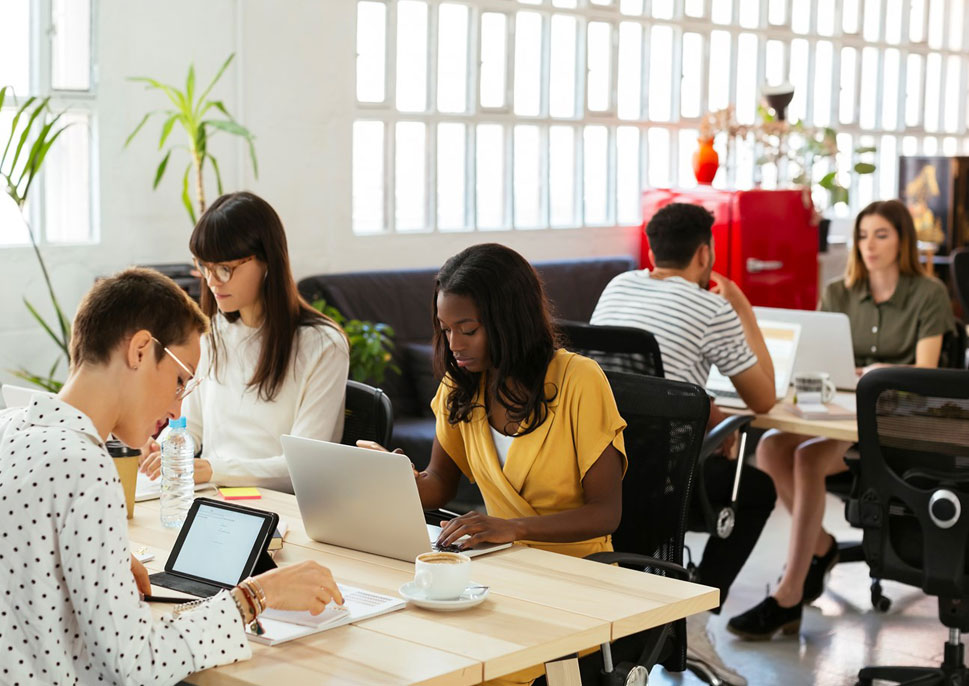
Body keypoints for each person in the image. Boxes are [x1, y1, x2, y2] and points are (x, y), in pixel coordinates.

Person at [0, 268, 343, 685]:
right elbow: (138, 665)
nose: (177, 410)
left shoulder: (11, 427)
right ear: (141, 350)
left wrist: (103, 561)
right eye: (180, 381)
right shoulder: (84, 467)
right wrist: (256, 596)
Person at [363, 243, 626, 685]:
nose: (455, 344)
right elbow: (438, 485)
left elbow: (606, 513)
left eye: (468, 329)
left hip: (577, 583)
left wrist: (515, 528)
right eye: (446, 330)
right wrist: (390, 478)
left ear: (509, 321)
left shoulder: (579, 380)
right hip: (499, 575)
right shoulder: (461, 386)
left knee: (473, 670)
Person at [727, 199, 955, 640]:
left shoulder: (929, 294)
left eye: (881, 235)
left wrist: (875, 376)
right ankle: (821, 547)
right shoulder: (839, 291)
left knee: (809, 458)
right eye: (863, 235)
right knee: (772, 445)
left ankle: (790, 594)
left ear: (902, 241)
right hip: (840, 407)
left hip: (895, 417)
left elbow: (924, 374)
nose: (869, 245)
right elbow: (821, 358)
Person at [591, 202, 778, 686]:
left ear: (652, 249)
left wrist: (703, 413)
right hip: (667, 480)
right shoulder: (713, 307)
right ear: (704, 253)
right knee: (756, 491)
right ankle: (693, 620)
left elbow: (626, 386)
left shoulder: (618, 286)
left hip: (601, 467)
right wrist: (742, 308)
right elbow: (764, 398)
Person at [139, 192, 349, 493]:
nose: (212, 281)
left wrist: (213, 469)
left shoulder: (323, 346)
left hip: (277, 507)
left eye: (225, 268)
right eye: (204, 266)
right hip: (214, 497)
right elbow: (191, 427)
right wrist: (164, 450)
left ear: (266, 261)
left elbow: (302, 466)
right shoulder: (210, 334)